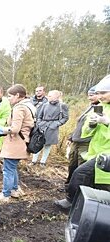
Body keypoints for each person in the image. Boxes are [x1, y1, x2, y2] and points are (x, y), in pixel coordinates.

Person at [55, 76, 110, 209]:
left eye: (103, 93)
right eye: (98, 93)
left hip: (107, 154)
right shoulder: (100, 107)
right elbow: (86, 132)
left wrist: (107, 123)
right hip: (95, 152)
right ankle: (84, 205)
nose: (100, 96)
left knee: (81, 173)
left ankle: (72, 202)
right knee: (93, 181)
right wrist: (91, 125)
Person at [0, 84, 35, 201]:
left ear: (17, 95)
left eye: (10, 96)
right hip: (23, 142)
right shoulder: (29, 105)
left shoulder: (19, 108)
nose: (8, 98)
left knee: (8, 169)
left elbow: (15, 128)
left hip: (16, 143)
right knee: (12, 167)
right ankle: (15, 190)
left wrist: (0, 129)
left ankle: (5, 195)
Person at [64, 86, 98, 189]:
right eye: (88, 95)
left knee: (81, 168)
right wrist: (71, 137)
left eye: (92, 95)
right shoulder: (90, 107)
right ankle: (69, 186)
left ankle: (77, 191)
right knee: (72, 165)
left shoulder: (100, 109)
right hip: (76, 141)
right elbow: (80, 125)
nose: (90, 98)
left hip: (86, 143)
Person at [30, 90, 69, 166]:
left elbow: (65, 118)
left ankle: (43, 162)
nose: (48, 97)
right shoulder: (45, 105)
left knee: (47, 145)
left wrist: (56, 124)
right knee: (37, 143)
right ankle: (33, 161)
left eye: (50, 95)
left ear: (56, 97)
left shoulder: (62, 106)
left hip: (52, 128)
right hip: (42, 127)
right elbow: (39, 116)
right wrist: (40, 123)